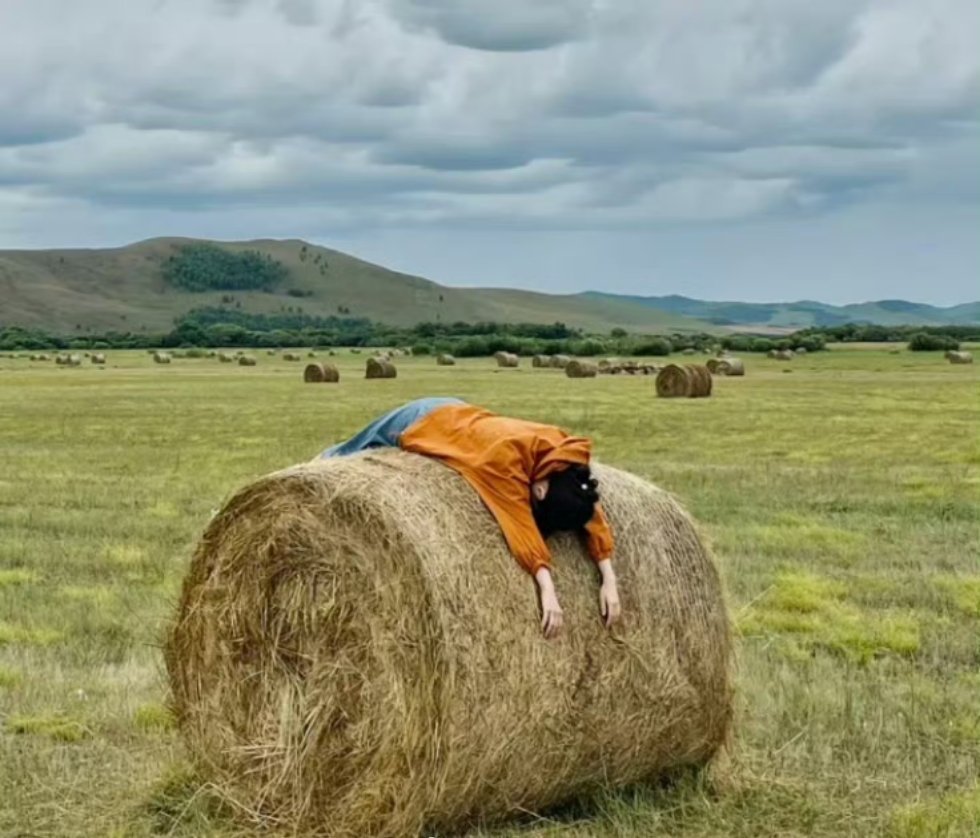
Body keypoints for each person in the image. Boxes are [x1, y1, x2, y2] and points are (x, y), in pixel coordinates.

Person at [318, 397, 620, 638]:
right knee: (346, 454)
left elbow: (587, 505)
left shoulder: (564, 456)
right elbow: (518, 524)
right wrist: (547, 588)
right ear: (539, 491)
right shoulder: (502, 462)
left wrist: (608, 577)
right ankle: (313, 473)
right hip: (422, 420)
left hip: (461, 413)